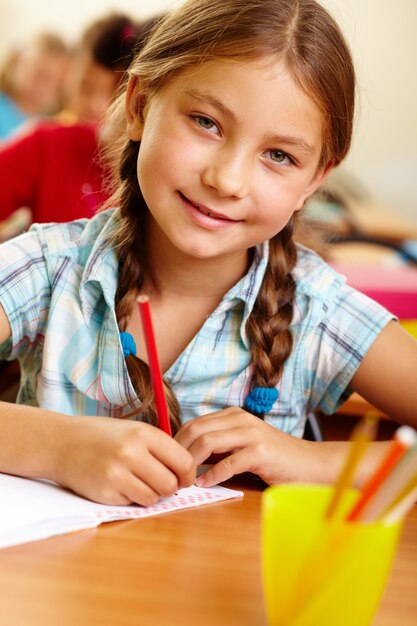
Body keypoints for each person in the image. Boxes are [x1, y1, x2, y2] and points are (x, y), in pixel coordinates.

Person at [0, 0, 416, 507]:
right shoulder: (48, 267)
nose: (227, 179)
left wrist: (307, 460)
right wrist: (59, 447)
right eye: (206, 122)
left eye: (279, 156)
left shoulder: (316, 310)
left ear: (315, 179)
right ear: (139, 106)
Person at [0, 14, 155, 228]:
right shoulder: (49, 144)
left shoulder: (162, 188)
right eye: (86, 86)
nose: (97, 105)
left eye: (113, 92)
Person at [0, 33, 70, 140]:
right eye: (38, 75)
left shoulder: (48, 127)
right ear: (18, 63)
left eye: (52, 80)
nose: (42, 86)